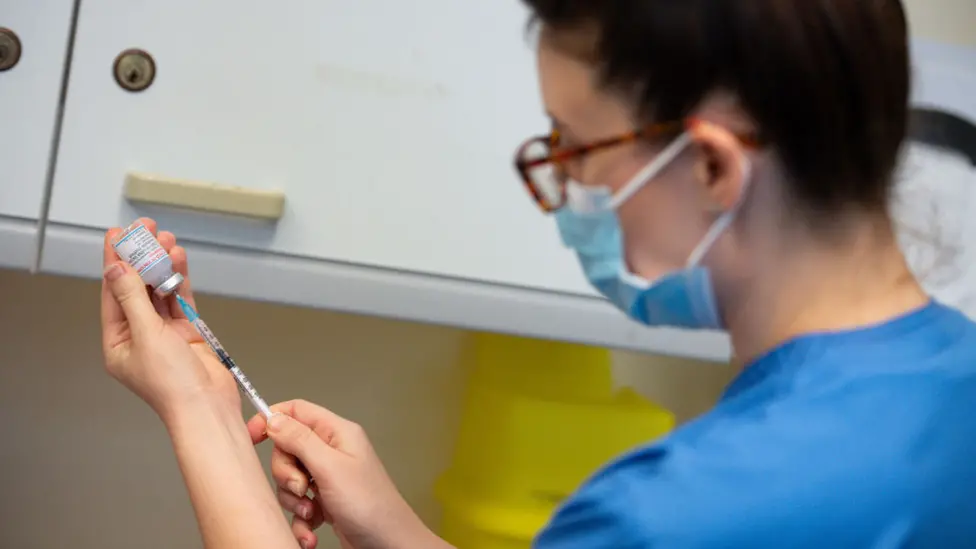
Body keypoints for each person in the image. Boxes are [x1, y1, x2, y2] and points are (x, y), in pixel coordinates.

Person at [98, 1, 976, 548]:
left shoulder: (673, 513)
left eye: (575, 146)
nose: (568, 190)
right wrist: (395, 531)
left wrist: (201, 412)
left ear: (713, 168)